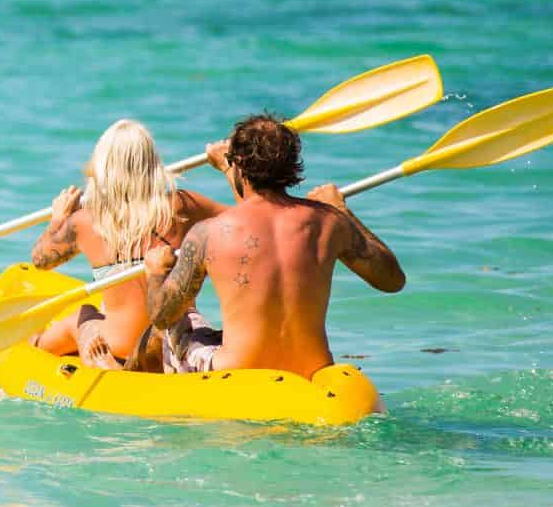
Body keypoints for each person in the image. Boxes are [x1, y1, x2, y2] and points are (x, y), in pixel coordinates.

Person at [136, 113, 405, 378]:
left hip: (236, 373)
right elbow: (392, 281)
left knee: (175, 327)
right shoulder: (330, 221)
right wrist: (343, 211)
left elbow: (162, 315)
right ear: (292, 165)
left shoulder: (209, 233)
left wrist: (157, 273)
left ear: (239, 165)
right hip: (310, 371)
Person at [26, 119, 225, 370]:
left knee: (83, 314)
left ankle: (36, 346)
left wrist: (58, 220)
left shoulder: (85, 221)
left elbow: (41, 260)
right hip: (171, 337)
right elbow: (243, 221)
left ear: (102, 168)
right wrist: (225, 165)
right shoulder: (182, 206)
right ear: (152, 164)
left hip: (119, 344)